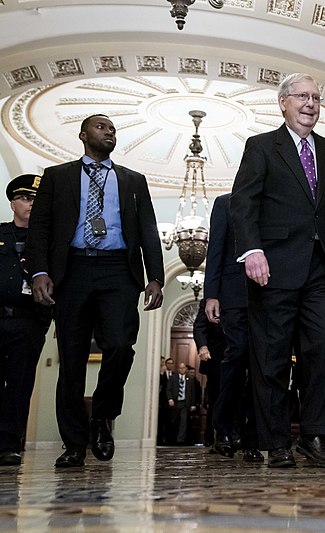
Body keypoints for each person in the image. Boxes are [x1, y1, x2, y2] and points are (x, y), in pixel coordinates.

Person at [26, 113, 164, 468]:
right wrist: (40, 272)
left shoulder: (134, 180)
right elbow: (39, 228)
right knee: (71, 359)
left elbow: (148, 229)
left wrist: (156, 277)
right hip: (72, 270)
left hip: (118, 270)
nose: (109, 132)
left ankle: (102, 417)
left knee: (119, 345)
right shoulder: (57, 177)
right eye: (102, 127)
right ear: (83, 134)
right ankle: (73, 443)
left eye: (113, 129)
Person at [230, 73, 325, 468]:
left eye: (317, 97)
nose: (311, 103)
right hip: (274, 267)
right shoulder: (262, 146)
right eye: (302, 96)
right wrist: (251, 250)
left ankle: (315, 435)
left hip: (320, 270)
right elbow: (243, 203)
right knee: (272, 357)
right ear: (283, 102)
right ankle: (276, 441)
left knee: (322, 348)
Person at [203, 193, 261, 462]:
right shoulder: (224, 203)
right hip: (234, 293)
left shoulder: (275, 199)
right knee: (236, 355)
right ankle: (223, 428)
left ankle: (253, 437)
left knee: (262, 365)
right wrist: (211, 295)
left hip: (269, 293)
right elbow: (215, 250)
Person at [0, 174, 52, 466]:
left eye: (36, 200)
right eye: (25, 198)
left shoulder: (48, 241)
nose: (31, 205)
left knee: (19, 387)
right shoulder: (1, 233)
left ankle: (9, 445)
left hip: (27, 321)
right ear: (13, 203)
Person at [192, 302, 222, 448]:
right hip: (215, 357)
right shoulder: (208, 301)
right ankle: (212, 438)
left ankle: (235, 436)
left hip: (237, 355)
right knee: (215, 397)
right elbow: (199, 326)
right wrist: (202, 346)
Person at [167, 362, 196, 445]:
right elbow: (168, 389)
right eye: (180, 368)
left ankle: (180, 440)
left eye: (184, 368)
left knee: (184, 421)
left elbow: (192, 392)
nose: (182, 369)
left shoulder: (190, 379)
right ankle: (171, 439)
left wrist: (193, 404)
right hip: (175, 402)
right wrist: (170, 399)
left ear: (186, 369)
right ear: (178, 369)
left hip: (184, 403)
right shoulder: (173, 378)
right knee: (173, 421)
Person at [158, 357, 175, 445]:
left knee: (171, 423)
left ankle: (169, 441)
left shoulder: (175, 375)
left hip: (172, 404)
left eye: (172, 363)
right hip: (162, 403)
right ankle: (160, 440)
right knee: (161, 422)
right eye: (168, 363)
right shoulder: (161, 374)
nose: (170, 365)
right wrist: (161, 374)